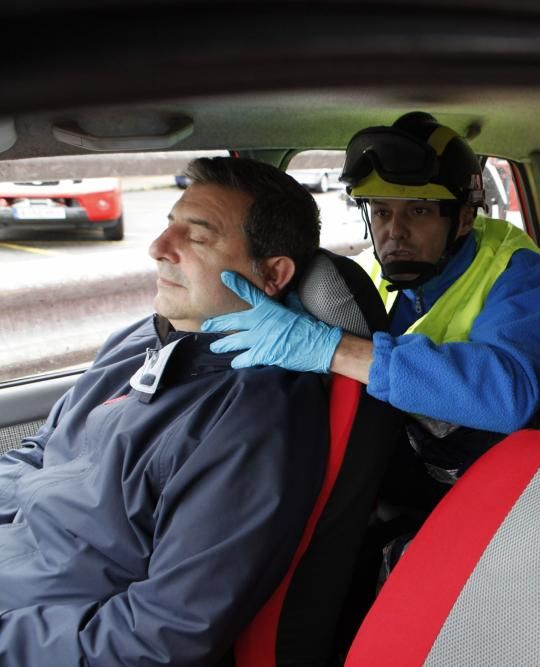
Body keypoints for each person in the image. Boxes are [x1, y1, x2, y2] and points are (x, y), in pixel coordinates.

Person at [0, 157, 331, 665]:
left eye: (196, 237)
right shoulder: (145, 336)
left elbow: (161, 634)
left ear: (273, 273)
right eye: (168, 224)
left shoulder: (250, 420)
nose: (158, 248)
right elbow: (45, 450)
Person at [203, 112, 540, 485]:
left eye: (418, 210)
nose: (395, 232)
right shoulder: (370, 270)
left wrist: (336, 350)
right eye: (382, 211)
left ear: (463, 219)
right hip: (413, 461)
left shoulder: (524, 277)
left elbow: (507, 394)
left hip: (506, 480)